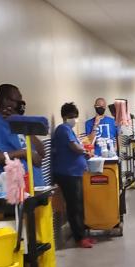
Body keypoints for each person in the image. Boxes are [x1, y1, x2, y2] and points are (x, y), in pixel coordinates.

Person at [0, 84, 46, 186]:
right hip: (15, 190)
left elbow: (42, 152)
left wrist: (21, 124)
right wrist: (23, 153)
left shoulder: (20, 122)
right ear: (6, 101)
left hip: (36, 185)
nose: (21, 104)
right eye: (18, 100)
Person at [52, 102, 94, 249]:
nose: (74, 119)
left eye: (75, 117)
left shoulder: (69, 130)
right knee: (74, 206)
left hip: (74, 173)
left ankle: (82, 234)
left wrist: (85, 153)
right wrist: (85, 152)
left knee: (78, 204)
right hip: (67, 174)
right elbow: (75, 147)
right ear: (64, 116)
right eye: (71, 117)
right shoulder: (63, 129)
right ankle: (79, 238)